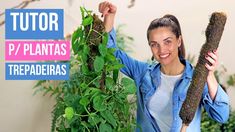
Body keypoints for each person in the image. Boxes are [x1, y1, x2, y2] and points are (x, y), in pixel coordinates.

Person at [98, 1, 229, 132]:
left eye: (167, 42)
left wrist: (209, 75)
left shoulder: (197, 79)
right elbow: (111, 53)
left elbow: (221, 115)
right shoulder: (143, 73)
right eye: (154, 44)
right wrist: (110, 17)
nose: (161, 50)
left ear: (179, 40)